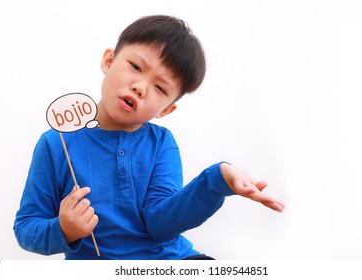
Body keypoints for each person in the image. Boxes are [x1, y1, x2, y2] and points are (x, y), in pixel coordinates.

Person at [14, 15, 285, 260]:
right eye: (135, 66)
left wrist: (216, 181)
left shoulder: (162, 144)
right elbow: (26, 227)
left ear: (166, 109)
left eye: (159, 87)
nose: (141, 87)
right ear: (109, 61)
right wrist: (63, 229)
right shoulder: (55, 143)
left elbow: (160, 224)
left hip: (170, 261)